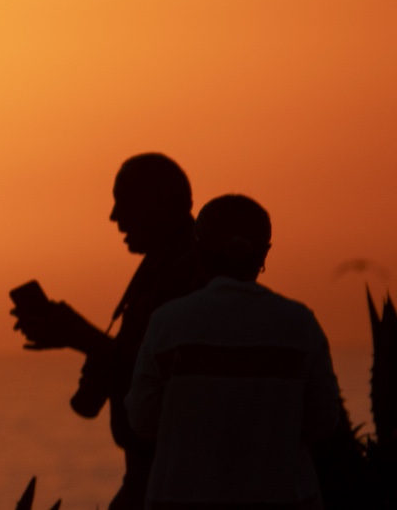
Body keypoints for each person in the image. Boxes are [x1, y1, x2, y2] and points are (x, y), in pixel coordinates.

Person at [11, 153, 205, 510]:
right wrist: (77, 337)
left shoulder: (191, 272)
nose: (115, 218)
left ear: (158, 202)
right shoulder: (163, 267)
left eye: (125, 204)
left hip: (171, 480)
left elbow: (165, 377)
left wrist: (80, 336)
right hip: (149, 476)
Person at [126, 195, 344, 507]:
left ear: (198, 251)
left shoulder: (167, 324)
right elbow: (323, 421)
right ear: (263, 254)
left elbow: (142, 420)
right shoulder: (299, 324)